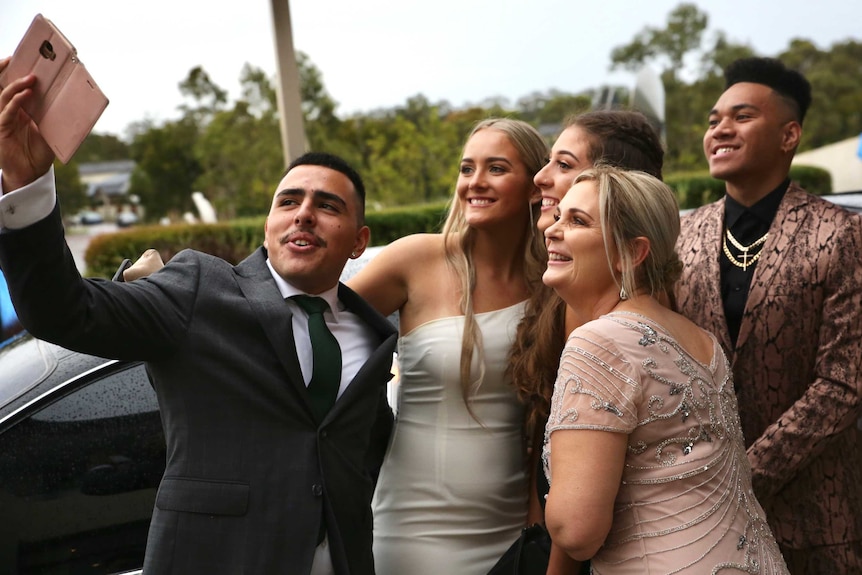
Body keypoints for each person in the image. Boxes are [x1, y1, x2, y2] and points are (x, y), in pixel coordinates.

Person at [0, 59, 396, 575]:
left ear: (359, 241)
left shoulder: (375, 338)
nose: (304, 213)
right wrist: (28, 184)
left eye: (328, 206)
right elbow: (66, 312)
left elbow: (357, 456)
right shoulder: (198, 289)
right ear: (269, 224)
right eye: (289, 201)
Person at [542, 165, 789, 574]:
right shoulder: (704, 343)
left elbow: (576, 530)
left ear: (634, 252)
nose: (552, 230)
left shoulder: (597, 343)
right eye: (558, 217)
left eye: (577, 221)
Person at [673, 56, 862, 573]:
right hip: (701, 522)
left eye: (741, 116)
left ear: (789, 135)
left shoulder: (841, 234)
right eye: (714, 120)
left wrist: (743, 472)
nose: (720, 130)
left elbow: (844, 383)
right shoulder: (682, 236)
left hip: (817, 521)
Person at [345, 118, 548, 574]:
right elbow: (317, 331)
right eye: (466, 168)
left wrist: (537, 533)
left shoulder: (551, 287)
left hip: (509, 528)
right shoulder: (416, 259)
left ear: (536, 188)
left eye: (496, 168)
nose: (475, 182)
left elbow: (546, 429)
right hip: (412, 525)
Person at [506, 111, 664, 549]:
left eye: (563, 164)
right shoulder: (568, 285)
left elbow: (584, 482)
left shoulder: (608, 317)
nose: (540, 178)